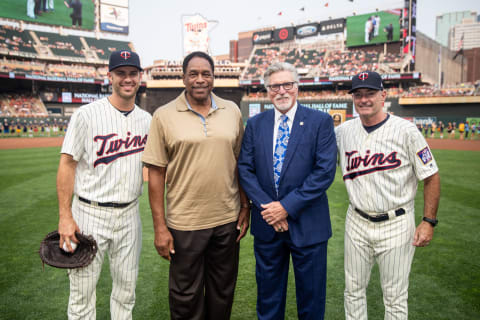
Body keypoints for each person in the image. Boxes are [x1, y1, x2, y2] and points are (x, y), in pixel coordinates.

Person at [142, 51, 250, 320]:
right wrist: (160, 227)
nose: (200, 79)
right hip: (185, 223)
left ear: (214, 77)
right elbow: (155, 172)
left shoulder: (232, 111)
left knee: (222, 292)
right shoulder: (163, 115)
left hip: (226, 220)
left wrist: (245, 206)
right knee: (185, 296)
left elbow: (240, 162)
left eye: (206, 74)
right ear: (183, 78)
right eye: (193, 74)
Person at [335, 71, 441, 320]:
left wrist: (428, 221)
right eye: (358, 95)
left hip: (397, 222)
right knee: (353, 290)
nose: (364, 99)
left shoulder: (407, 131)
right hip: (357, 221)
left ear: (383, 95)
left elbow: (431, 176)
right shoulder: (342, 132)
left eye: (370, 93)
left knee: (394, 297)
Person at [237, 62, 337, 320]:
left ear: (297, 86)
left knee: (311, 302)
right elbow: (245, 169)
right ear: (267, 90)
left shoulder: (320, 122)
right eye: (274, 86)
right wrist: (269, 209)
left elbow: (324, 172)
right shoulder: (256, 124)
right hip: (268, 226)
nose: (281, 91)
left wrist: (286, 208)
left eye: (287, 85)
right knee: (268, 299)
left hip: (309, 226)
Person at [56, 50, 151, 319]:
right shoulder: (86, 115)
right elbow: (67, 165)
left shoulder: (147, 120)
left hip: (130, 214)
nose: (127, 79)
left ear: (140, 77)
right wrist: (65, 217)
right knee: (82, 293)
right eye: (121, 73)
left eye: (132, 73)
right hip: (89, 213)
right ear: (110, 76)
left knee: (126, 292)